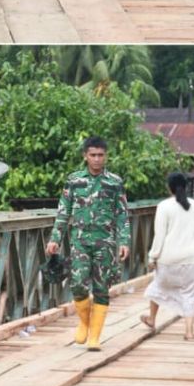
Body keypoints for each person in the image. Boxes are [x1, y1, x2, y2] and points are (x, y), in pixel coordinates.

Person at [45, 135, 130, 352]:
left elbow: (122, 213)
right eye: (93, 155)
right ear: (85, 156)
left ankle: (95, 336)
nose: (97, 159)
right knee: (78, 284)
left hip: (105, 241)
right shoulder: (74, 181)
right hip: (80, 241)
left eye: (101, 155)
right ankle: (84, 321)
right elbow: (63, 212)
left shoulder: (115, 182)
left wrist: (124, 241)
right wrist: (55, 238)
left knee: (102, 287)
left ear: (106, 156)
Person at [141, 171, 194, 340]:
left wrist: (153, 257)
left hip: (168, 259)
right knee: (189, 295)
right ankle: (189, 331)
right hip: (192, 258)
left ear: (169, 187)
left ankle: (152, 318)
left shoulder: (164, 206)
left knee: (158, 287)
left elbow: (159, 235)